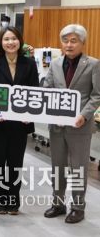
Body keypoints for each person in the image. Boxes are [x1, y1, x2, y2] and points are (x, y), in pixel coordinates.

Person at [43, 24, 100, 224]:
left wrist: (84, 115)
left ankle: (77, 207)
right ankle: (58, 204)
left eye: (74, 41)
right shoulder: (55, 63)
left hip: (80, 126)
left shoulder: (93, 64)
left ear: (82, 43)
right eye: (65, 41)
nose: (69, 45)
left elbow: (96, 95)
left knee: (78, 168)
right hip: (57, 125)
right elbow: (47, 88)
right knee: (57, 166)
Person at [0, 26, 38, 215]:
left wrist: (29, 114)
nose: (10, 42)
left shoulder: (29, 64)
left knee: (15, 164)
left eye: (14, 38)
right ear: (1, 43)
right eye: (6, 39)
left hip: (20, 124)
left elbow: (35, 92)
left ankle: (13, 200)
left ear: (20, 41)